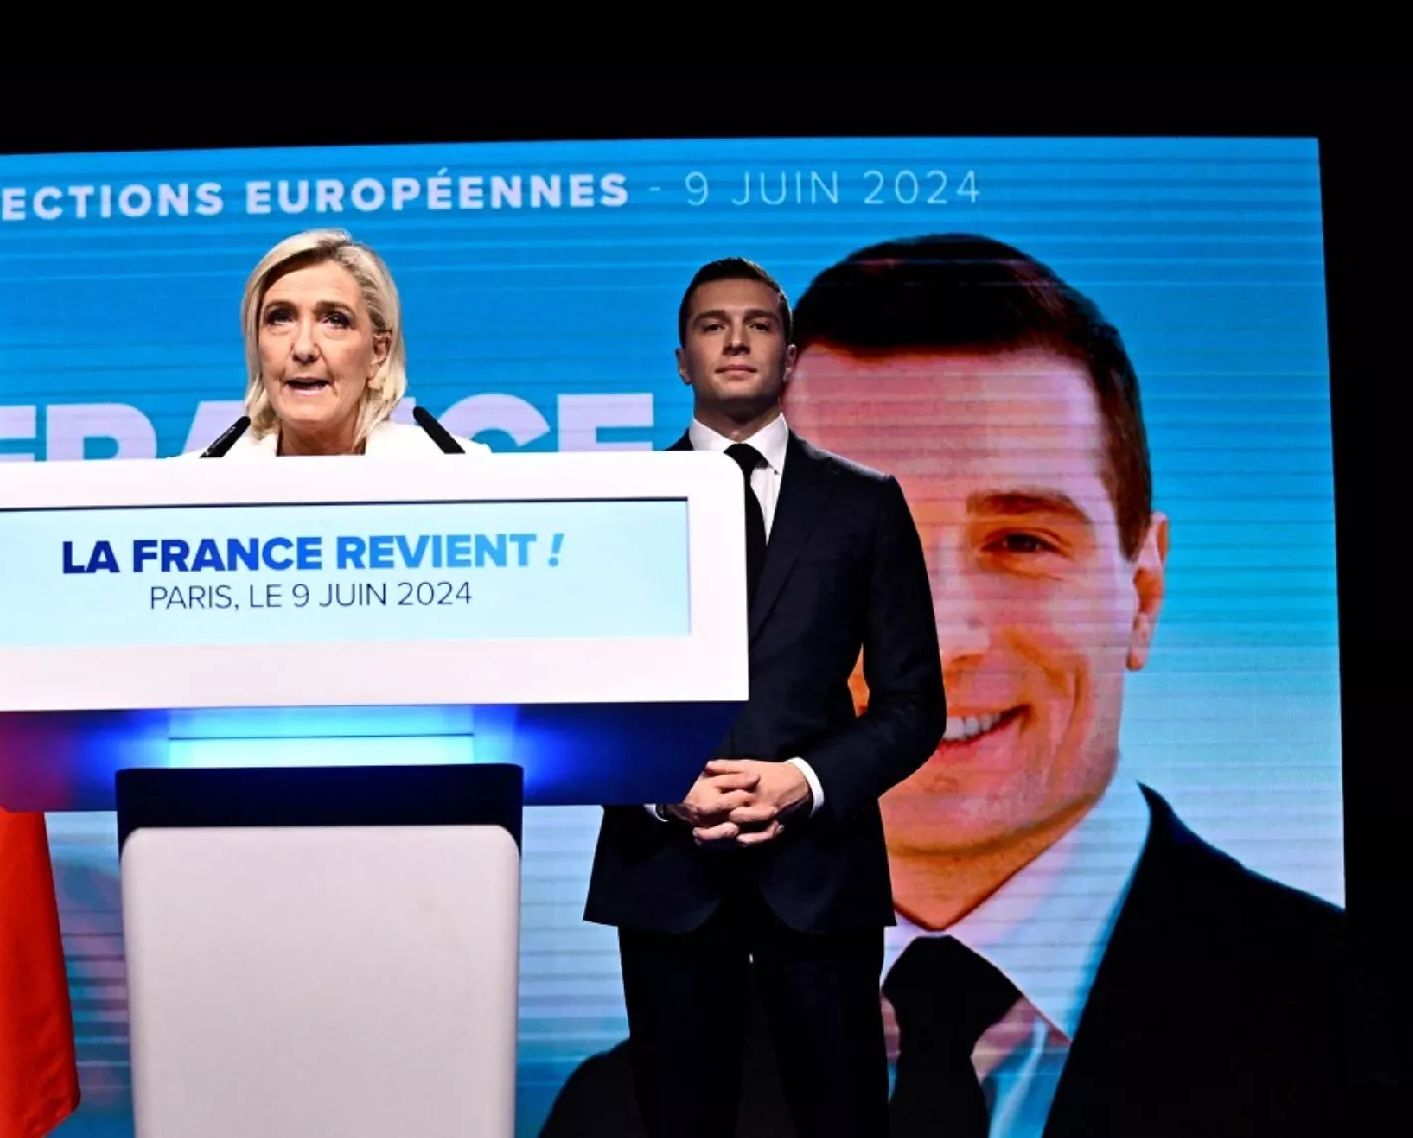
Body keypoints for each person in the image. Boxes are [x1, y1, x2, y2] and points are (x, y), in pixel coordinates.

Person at [543, 235, 1344, 1137]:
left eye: (1021, 542)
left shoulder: (1346, 1011)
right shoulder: (608, 1108)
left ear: (1144, 590)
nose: (949, 638)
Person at [579, 257, 946, 1138]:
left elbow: (913, 704)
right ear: (681, 360)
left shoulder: (864, 504)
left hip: (819, 875)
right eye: (712, 325)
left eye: (759, 324)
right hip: (667, 872)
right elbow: (586, 701)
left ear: (790, 356)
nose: (736, 340)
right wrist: (665, 787)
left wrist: (802, 783)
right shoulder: (618, 504)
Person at [193, 228, 488, 458]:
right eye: (280, 318)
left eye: (335, 320)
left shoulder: (463, 475)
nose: (304, 348)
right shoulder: (191, 486)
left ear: (378, 352)